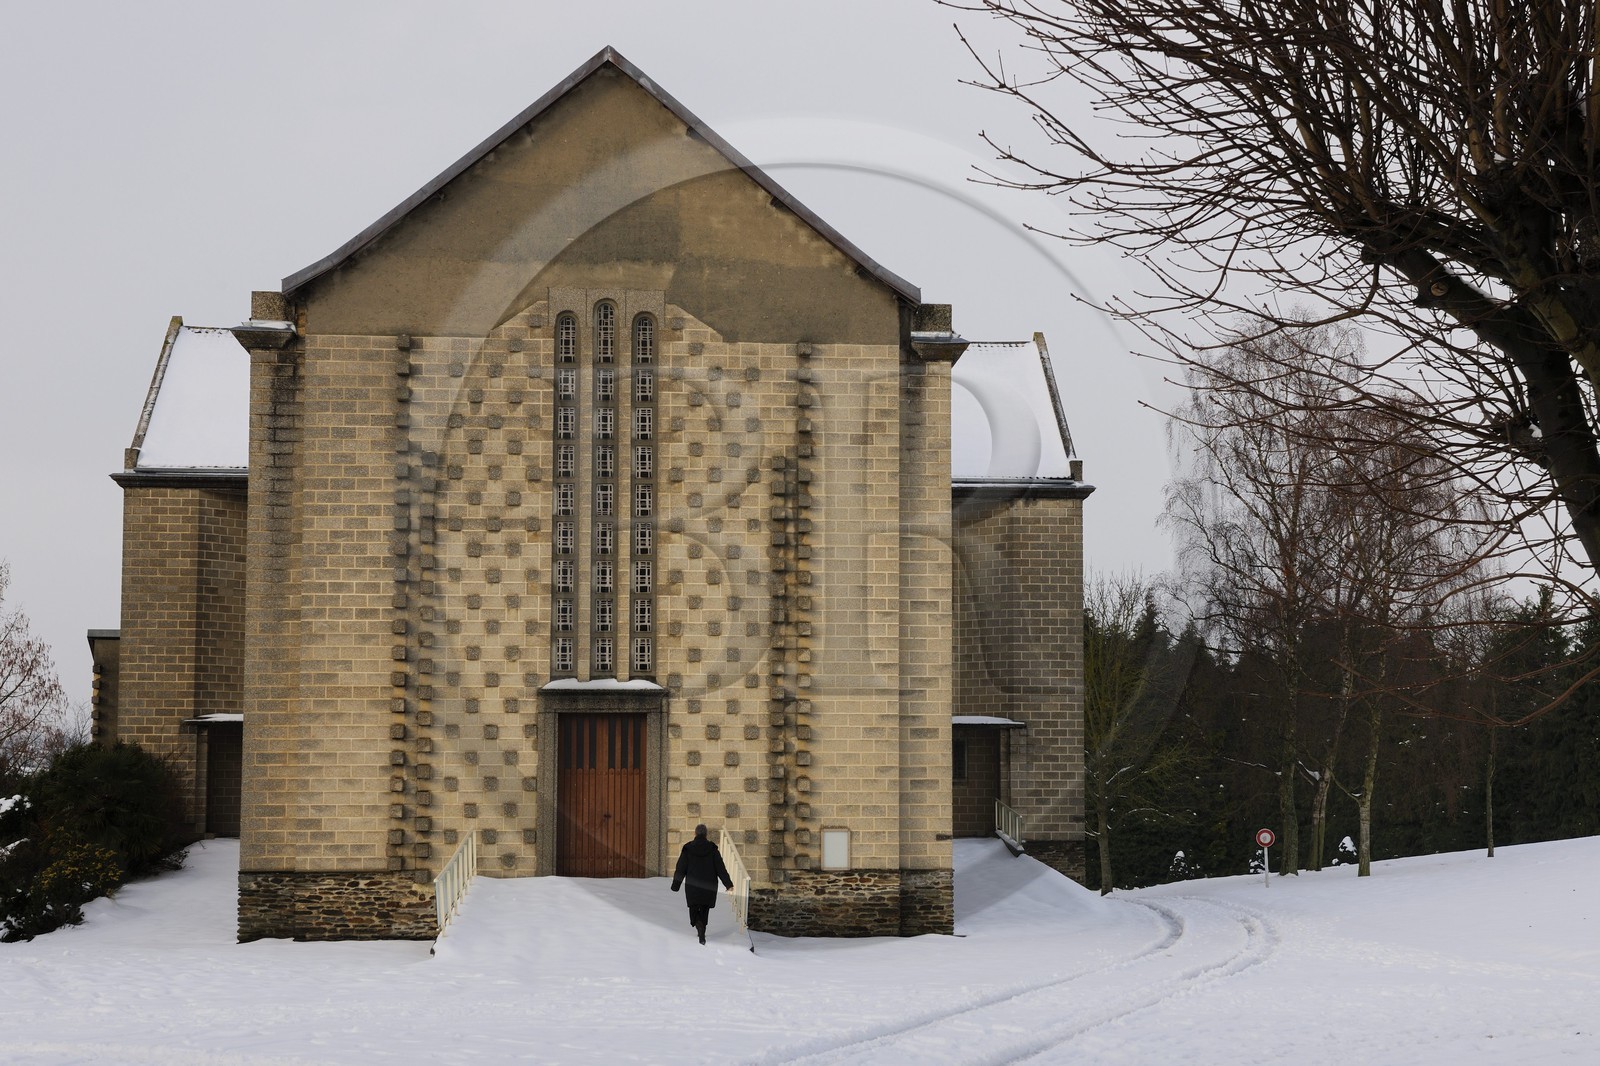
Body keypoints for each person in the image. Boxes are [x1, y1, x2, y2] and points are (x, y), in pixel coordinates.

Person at [671, 823, 733, 944]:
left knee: (693, 907)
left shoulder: (688, 848)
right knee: (704, 908)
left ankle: (698, 925)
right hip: (708, 886)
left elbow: (680, 868)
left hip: (693, 886)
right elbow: (720, 868)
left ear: (695, 833)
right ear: (706, 834)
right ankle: (702, 928)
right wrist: (728, 884)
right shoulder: (712, 849)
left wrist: (675, 885)